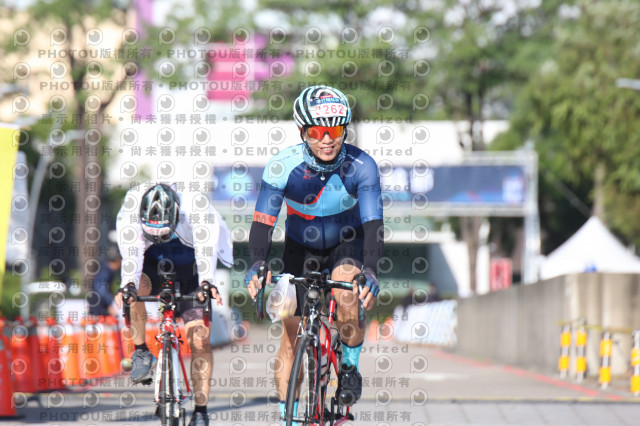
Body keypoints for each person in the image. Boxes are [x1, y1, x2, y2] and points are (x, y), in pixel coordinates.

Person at [244, 85, 383, 422]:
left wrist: (370, 271)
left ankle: (349, 367)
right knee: (290, 339)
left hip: (347, 242)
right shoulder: (282, 166)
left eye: (335, 130)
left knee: (347, 290)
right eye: (318, 131)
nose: (327, 139)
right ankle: (287, 417)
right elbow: (262, 223)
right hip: (299, 248)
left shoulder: (362, 165)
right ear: (302, 131)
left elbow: (373, 224)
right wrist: (257, 265)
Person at [114, 182, 233, 426]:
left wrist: (206, 282)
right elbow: (132, 255)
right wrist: (127, 286)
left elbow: (206, 251)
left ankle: (200, 411)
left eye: (164, 233)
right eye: (154, 234)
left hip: (191, 265)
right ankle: (141, 351)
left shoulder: (197, 207)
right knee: (135, 290)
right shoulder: (130, 208)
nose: (160, 237)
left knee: (200, 340)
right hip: (152, 263)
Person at [87, 245, 121, 318]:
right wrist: (110, 304)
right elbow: (102, 289)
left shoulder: (106, 269)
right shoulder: (105, 272)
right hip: (100, 307)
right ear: (117, 260)